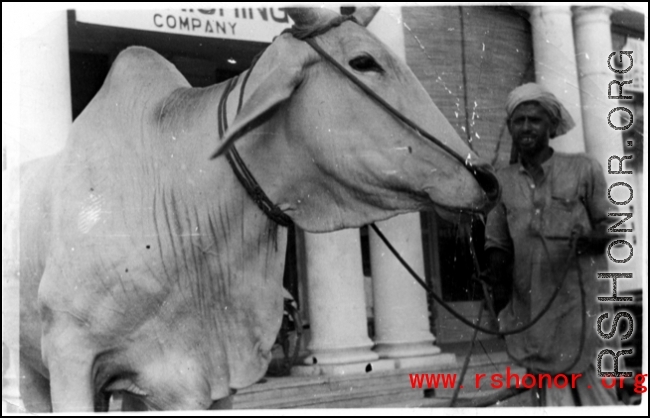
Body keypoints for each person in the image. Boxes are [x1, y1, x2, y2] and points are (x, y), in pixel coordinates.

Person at [484, 83, 620, 406]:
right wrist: (492, 273)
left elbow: (609, 225)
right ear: (510, 128)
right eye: (519, 121)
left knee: (597, 397)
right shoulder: (501, 181)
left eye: (535, 120)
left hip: (583, 307)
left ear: (551, 126)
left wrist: (594, 239)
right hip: (535, 312)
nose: (526, 127)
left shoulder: (584, 168)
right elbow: (497, 244)